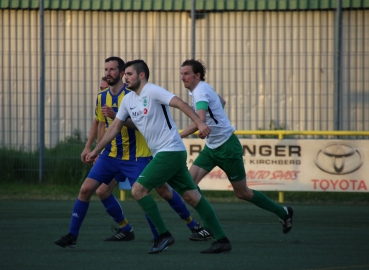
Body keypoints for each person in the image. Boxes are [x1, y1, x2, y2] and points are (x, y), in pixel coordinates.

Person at [54, 57, 210, 248]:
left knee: (161, 191)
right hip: (110, 156)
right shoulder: (102, 97)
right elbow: (102, 124)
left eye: (113, 70)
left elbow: (140, 123)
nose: (107, 73)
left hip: (137, 156)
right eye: (106, 69)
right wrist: (93, 149)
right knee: (91, 189)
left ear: (122, 74)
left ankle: (187, 227)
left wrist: (200, 123)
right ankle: (80, 234)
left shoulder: (134, 94)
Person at [86, 59, 232, 254]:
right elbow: (114, 128)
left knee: (138, 190)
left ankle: (163, 235)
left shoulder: (152, 91)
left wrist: (199, 122)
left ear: (141, 75)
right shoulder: (128, 100)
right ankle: (222, 240)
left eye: (129, 74)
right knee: (191, 196)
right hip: (166, 153)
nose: (125, 77)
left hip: (170, 151)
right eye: (125, 74)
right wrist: (96, 150)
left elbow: (179, 102)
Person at [179, 59, 294, 237]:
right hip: (212, 148)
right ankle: (210, 226)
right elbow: (221, 102)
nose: (182, 77)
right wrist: (215, 122)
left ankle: (283, 212)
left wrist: (178, 135)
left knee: (243, 193)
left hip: (227, 148)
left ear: (197, 75)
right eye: (181, 74)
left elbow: (199, 121)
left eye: (186, 73)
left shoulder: (200, 92)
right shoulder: (202, 88)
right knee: (189, 185)